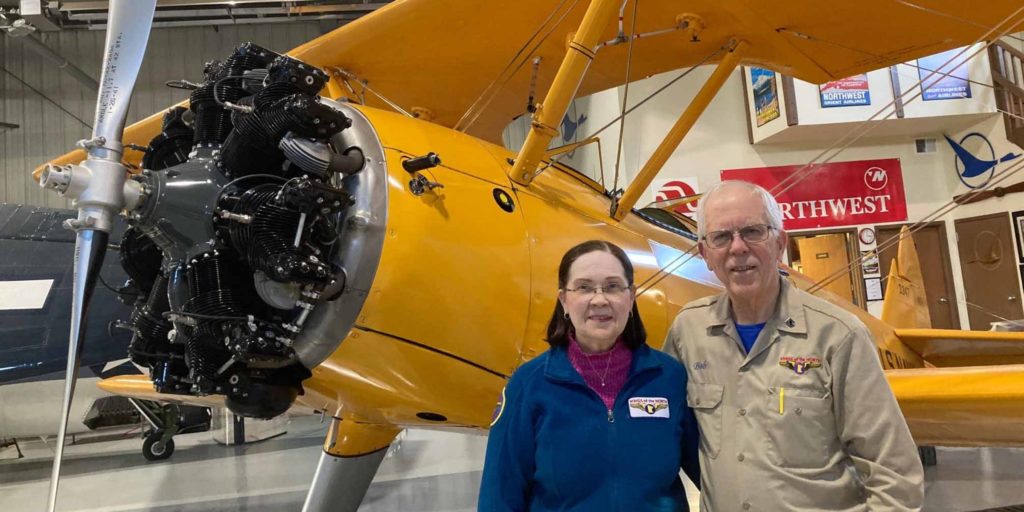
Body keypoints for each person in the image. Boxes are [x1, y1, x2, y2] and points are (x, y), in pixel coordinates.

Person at [663, 180, 924, 511]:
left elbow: (896, 474)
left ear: (780, 243)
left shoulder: (839, 335)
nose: (738, 248)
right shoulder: (689, 330)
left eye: (753, 232)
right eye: (721, 237)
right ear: (705, 254)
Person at [479, 240, 700, 511]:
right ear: (564, 300)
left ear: (630, 297)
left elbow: (709, 473)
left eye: (612, 286)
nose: (599, 299)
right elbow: (499, 495)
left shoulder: (669, 377)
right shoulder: (528, 385)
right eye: (584, 287)